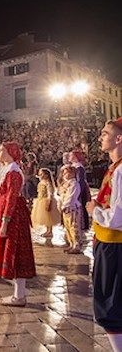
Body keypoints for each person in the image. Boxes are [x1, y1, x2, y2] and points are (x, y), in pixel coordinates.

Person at [86, 118, 122, 352]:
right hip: (107, 242)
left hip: (114, 246)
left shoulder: (120, 171)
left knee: (111, 306)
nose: (100, 137)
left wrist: (94, 210)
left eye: (105, 133)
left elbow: (118, 217)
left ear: (119, 138)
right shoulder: (114, 168)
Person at [0, 141, 36, 307]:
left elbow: (11, 198)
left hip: (13, 217)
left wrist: (5, 222)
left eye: (2, 150)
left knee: (16, 253)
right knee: (11, 252)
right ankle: (18, 293)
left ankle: (19, 295)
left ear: (10, 152)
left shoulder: (14, 172)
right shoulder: (7, 169)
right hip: (7, 214)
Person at [57, 164, 82, 254]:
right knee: (67, 227)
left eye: (66, 172)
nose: (64, 174)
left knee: (74, 226)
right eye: (63, 172)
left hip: (72, 208)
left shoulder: (74, 184)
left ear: (72, 173)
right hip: (65, 208)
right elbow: (61, 196)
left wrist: (65, 205)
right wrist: (60, 204)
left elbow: (71, 197)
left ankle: (77, 245)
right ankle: (71, 243)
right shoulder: (65, 184)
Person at [31, 168, 61, 238]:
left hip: (46, 200)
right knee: (46, 217)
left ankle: (50, 231)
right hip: (40, 200)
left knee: (49, 216)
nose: (40, 175)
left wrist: (49, 201)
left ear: (46, 175)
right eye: (40, 174)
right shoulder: (41, 182)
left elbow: (50, 193)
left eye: (42, 174)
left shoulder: (47, 183)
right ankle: (47, 230)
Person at [69, 150, 91, 231]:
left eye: (71, 156)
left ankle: (82, 224)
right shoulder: (73, 166)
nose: (70, 157)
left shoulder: (79, 167)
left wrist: (78, 192)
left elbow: (81, 181)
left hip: (79, 190)